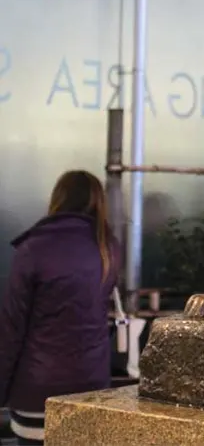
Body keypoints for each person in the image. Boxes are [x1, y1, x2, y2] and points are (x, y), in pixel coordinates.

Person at [0, 170, 119, 445]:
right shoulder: (109, 250)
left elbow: (11, 329)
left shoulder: (33, 249)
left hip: (37, 397)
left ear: (57, 199)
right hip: (92, 393)